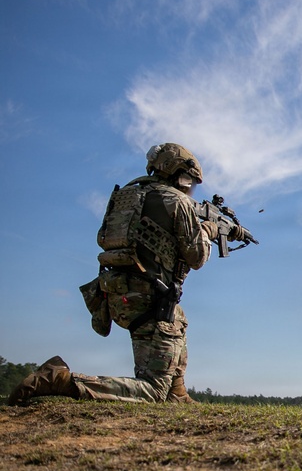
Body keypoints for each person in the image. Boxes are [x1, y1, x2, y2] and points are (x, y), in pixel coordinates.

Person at [7, 143, 247, 406]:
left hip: (116, 293)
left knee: (178, 320)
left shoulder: (127, 196)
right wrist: (209, 230)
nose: (190, 188)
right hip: (149, 300)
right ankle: (61, 380)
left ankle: (177, 393)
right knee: (152, 390)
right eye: (190, 181)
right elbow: (197, 257)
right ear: (179, 174)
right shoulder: (178, 202)